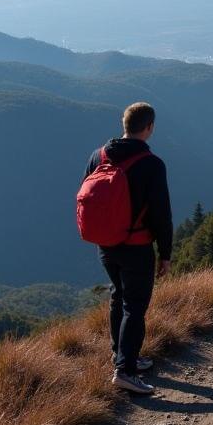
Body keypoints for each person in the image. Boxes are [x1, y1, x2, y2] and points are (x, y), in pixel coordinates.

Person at [82, 102, 173, 396]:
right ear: (149, 127)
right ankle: (126, 371)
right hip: (136, 246)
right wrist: (166, 253)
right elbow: (161, 213)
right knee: (135, 306)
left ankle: (121, 354)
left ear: (124, 124)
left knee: (118, 296)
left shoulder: (99, 155)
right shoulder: (152, 164)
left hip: (106, 244)